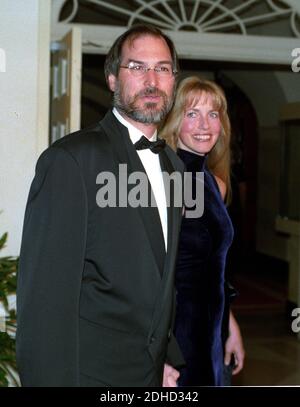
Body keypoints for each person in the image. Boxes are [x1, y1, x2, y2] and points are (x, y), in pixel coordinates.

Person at [16, 24, 185, 387]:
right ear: (111, 79)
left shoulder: (174, 164)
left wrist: (167, 356)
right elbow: (44, 299)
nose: (152, 79)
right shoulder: (72, 160)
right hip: (89, 373)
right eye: (137, 67)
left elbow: (160, 273)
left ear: (174, 80)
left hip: (150, 371)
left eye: (163, 68)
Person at [160, 76, 245, 386]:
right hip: (178, 336)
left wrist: (230, 325)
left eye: (213, 114)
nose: (204, 124)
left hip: (214, 332)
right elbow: (151, 275)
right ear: (175, 121)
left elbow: (215, 270)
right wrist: (158, 355)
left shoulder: (216, 185)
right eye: (192, 113)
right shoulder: (167, 184)